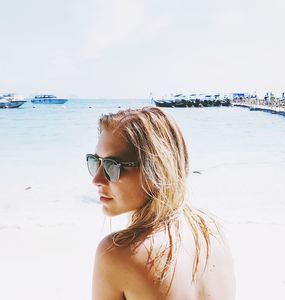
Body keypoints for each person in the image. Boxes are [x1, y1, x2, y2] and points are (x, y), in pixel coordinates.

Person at [87, 107, 235, 300]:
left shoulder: (119, 254)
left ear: (156, 170)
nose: (96, 179)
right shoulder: (210, 231)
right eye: (95, 162)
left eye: (111, 166)